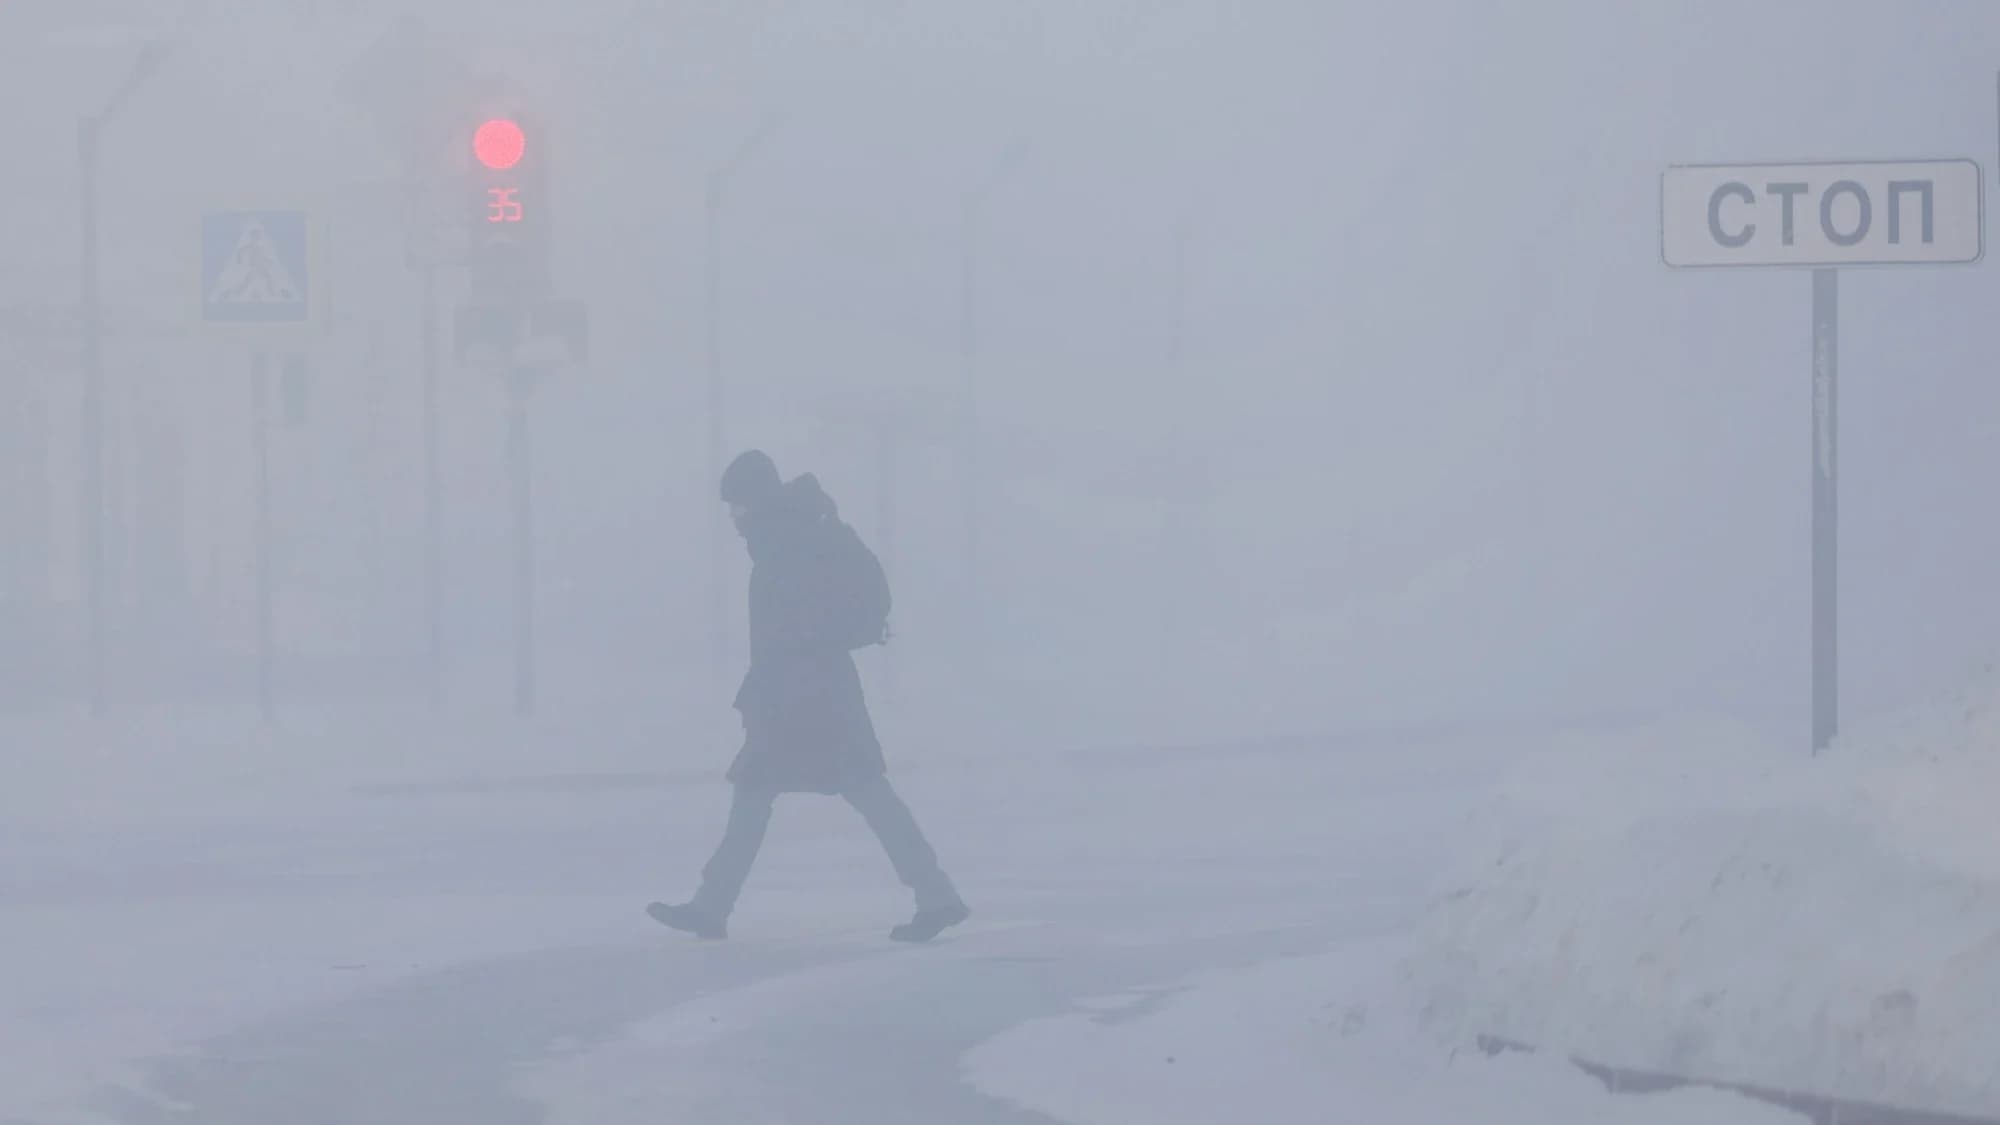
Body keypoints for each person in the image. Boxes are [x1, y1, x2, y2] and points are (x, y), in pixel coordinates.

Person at [649, 450, 970, 943]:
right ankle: (935, 894)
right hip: (810, 694)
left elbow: (793, 627)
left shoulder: (788, 540)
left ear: (755, 500)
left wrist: (776, 685)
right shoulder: (796, 532)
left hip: (806, 699)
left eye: (737, 507)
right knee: (831, 793)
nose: (734, 520)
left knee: (833, 792)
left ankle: (936, 895)